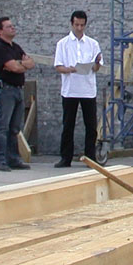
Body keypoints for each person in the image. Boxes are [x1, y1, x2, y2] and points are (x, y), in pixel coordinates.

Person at [53, 9, 103, 167]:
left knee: (91, 126)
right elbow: (58, 66)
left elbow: (97, 67)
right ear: (71, 24)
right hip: (70, 90)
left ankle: (90, 157)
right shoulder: (63, 43)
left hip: (88, 90)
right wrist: (71, 69)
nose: (79, 28)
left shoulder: (93, 44)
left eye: (82, 25)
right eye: (77, 25)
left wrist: (95, 64)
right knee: (68, 125)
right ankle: (65, 157)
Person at [0, 16, 34, 172]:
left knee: (15, 128)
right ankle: (0, 160)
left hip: (18, 89)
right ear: (0, 31)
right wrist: (20, 65)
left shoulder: (16, 47)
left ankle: (13, 159)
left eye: (12, 26)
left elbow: (29, 63)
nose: (13, 28)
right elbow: (13, 67)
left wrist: (19, 64)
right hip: (5, 90)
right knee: (3, 126)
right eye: (8, 26)